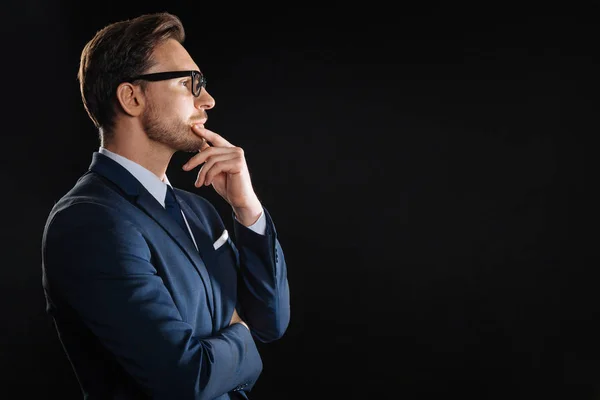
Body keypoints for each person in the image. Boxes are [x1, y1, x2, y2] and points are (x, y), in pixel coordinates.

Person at [40, 12, 290, 400]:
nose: (207, 100)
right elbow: (187, 379)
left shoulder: (200, 211)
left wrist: (247, 208)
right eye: (190, 83)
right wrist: (242, 334)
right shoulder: (89, 221)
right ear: (132, 97)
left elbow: (271, 322)